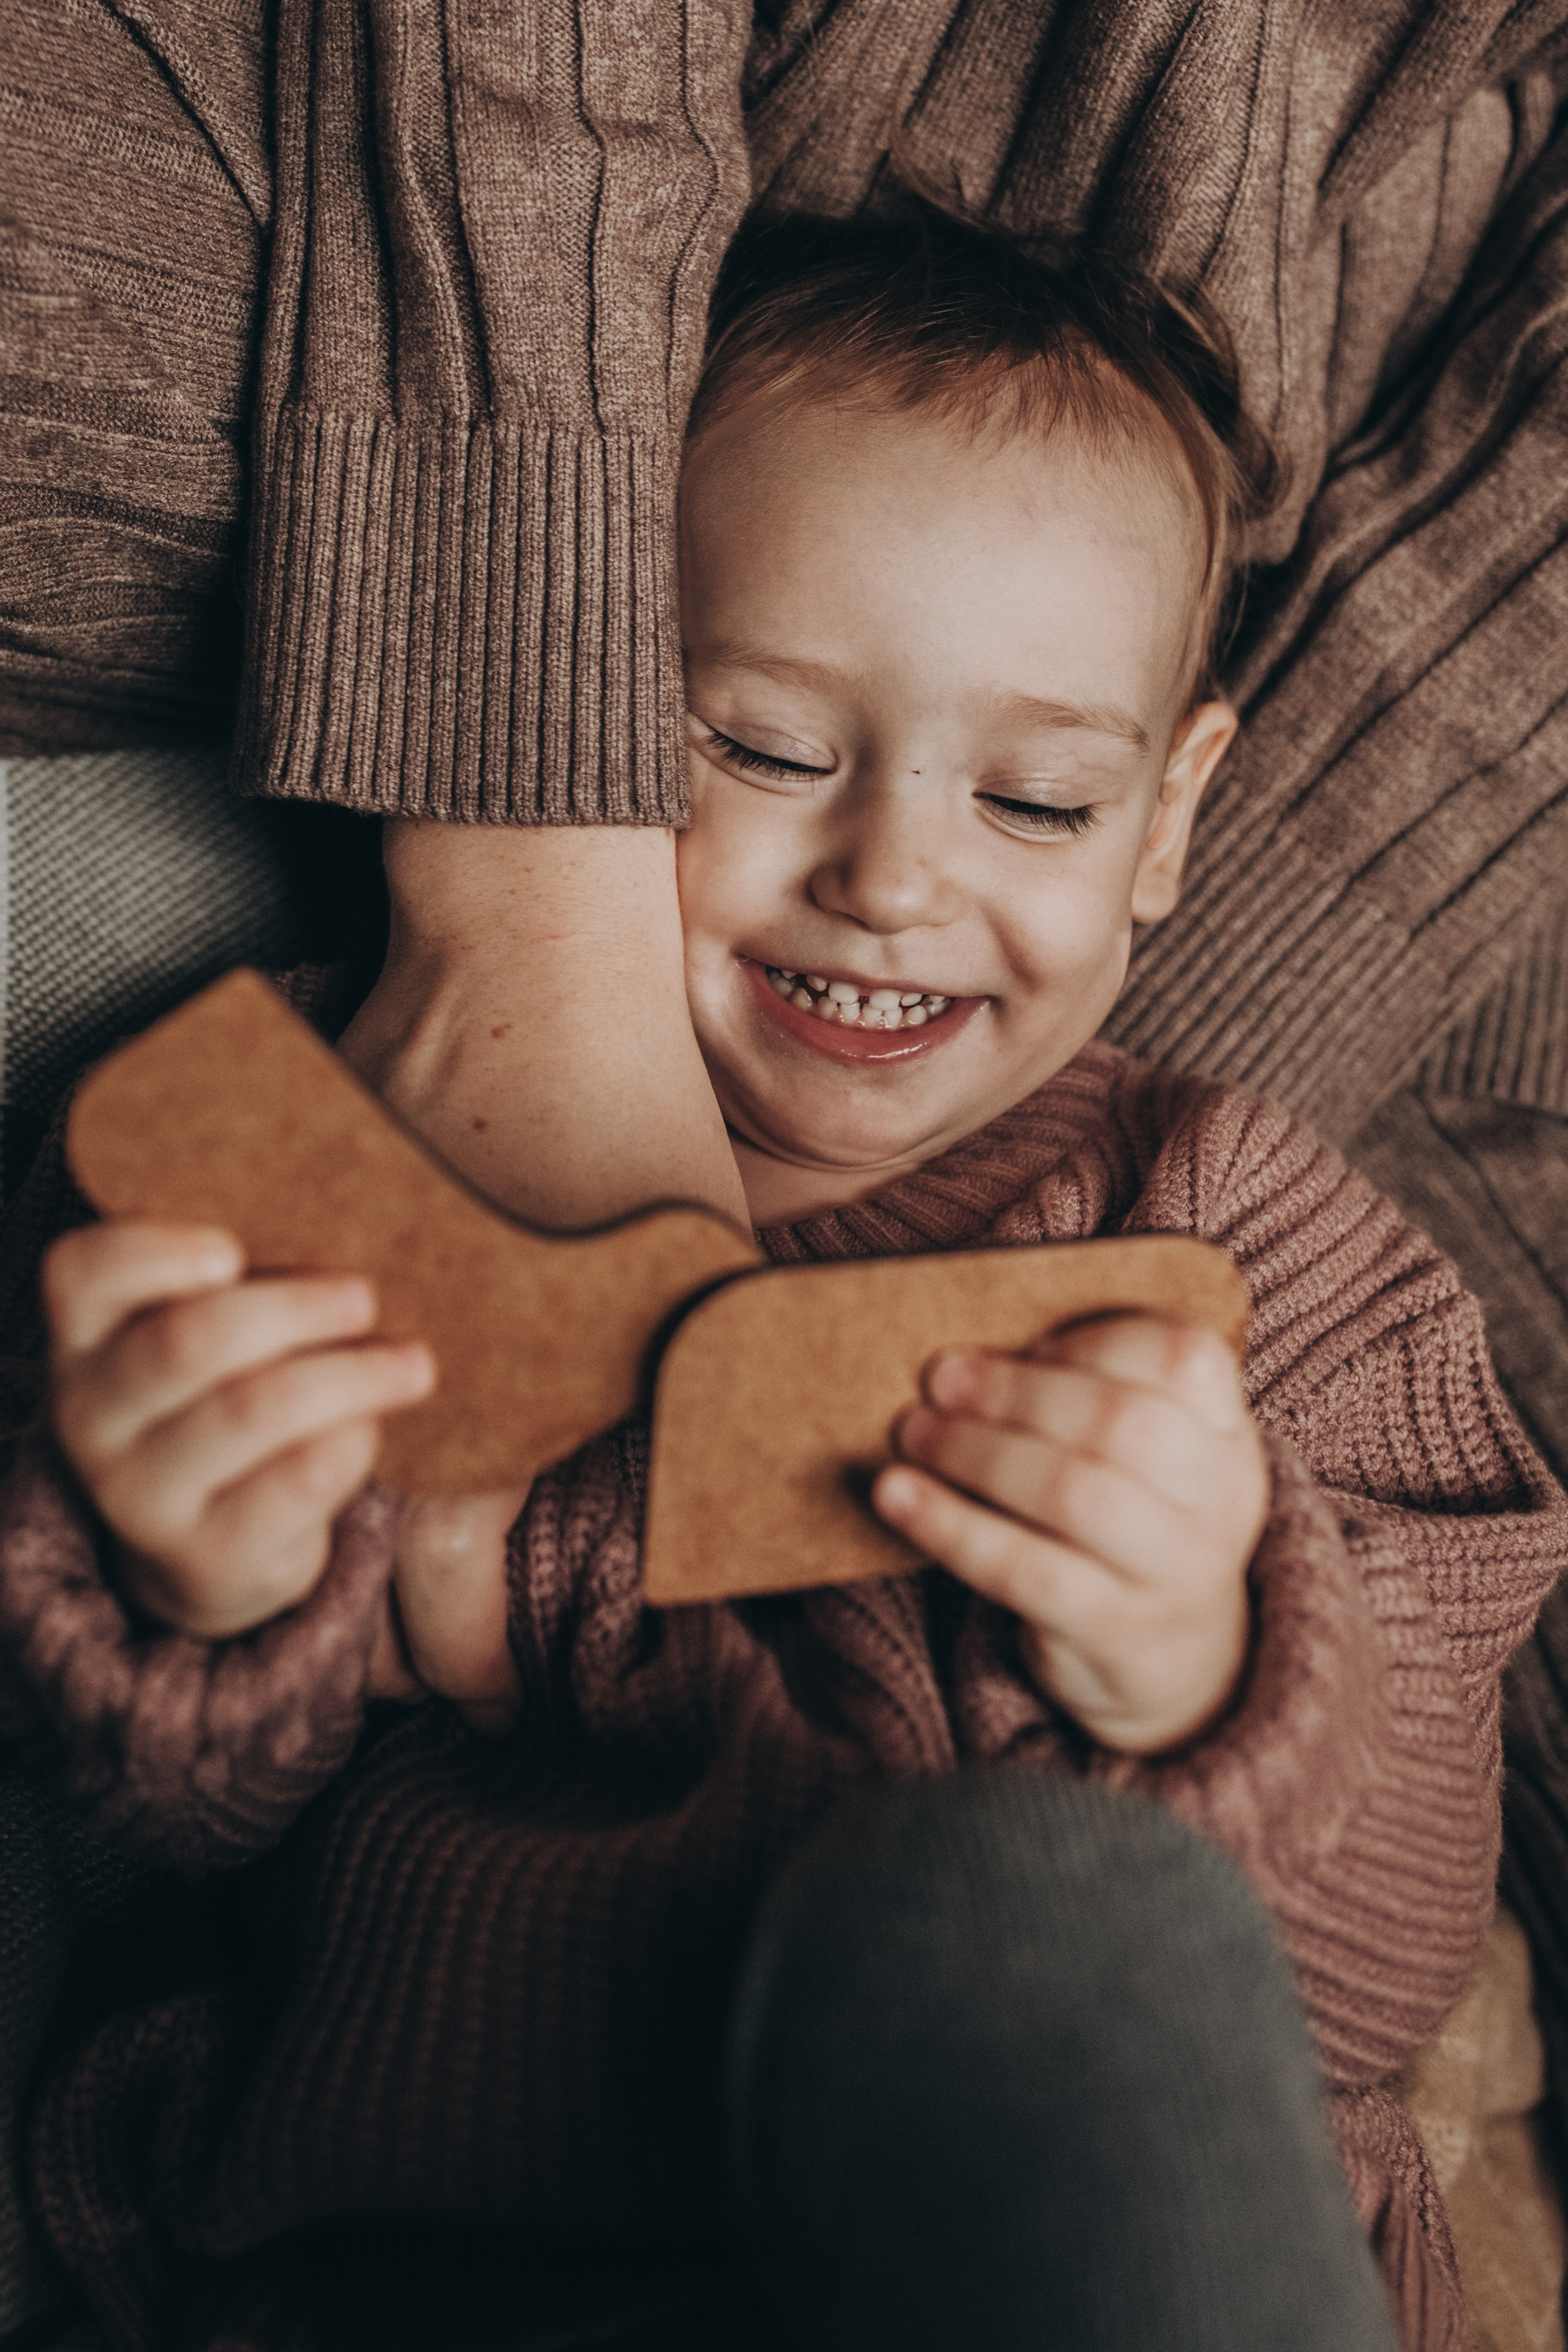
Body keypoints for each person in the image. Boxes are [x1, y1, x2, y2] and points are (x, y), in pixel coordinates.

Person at [2, 208, 1564, 2352]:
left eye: (1039, 795)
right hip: (455, 2242)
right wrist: (195, 1579)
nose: (896, 873)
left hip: (1045, 2221)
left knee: (1022, 1907)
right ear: (582, 714)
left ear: (1173, 817)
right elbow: (165, 1829)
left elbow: (1382, 1992)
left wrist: (1208, 1664)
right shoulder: (339, 1125)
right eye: (756, 747)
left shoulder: (1265, 1259)